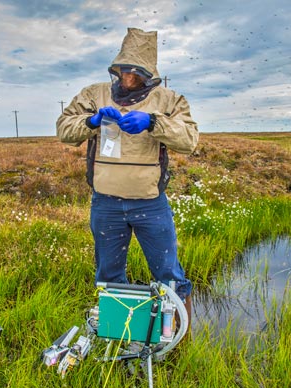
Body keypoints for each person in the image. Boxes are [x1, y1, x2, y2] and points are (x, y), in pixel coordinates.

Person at [56, 28, 198, 324]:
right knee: (108, 274)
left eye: (137, 73)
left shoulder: (169, 100)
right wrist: (91, 121)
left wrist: (153, 122)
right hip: (105, 204)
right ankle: (117, 333)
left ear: (149, 74)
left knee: (168, 274)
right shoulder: (94, 94)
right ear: (116, 69)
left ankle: (179, 337)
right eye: (124, 72)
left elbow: (189, 140)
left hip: (150, 203)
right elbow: (64, 130)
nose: (129, 79)